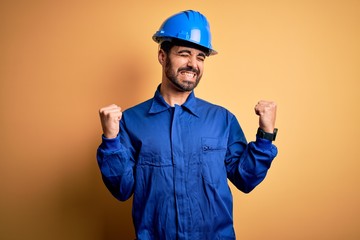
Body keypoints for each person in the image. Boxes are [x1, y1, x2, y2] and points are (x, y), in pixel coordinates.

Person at [97, 10, 278, 240]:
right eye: (184, 54)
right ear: (162, 56)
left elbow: (246, 179)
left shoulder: (222, 120)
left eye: (200, 57)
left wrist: (266, 135)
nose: (193, 64)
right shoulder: (131, 121)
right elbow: (122, 189)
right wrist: (111, 140)